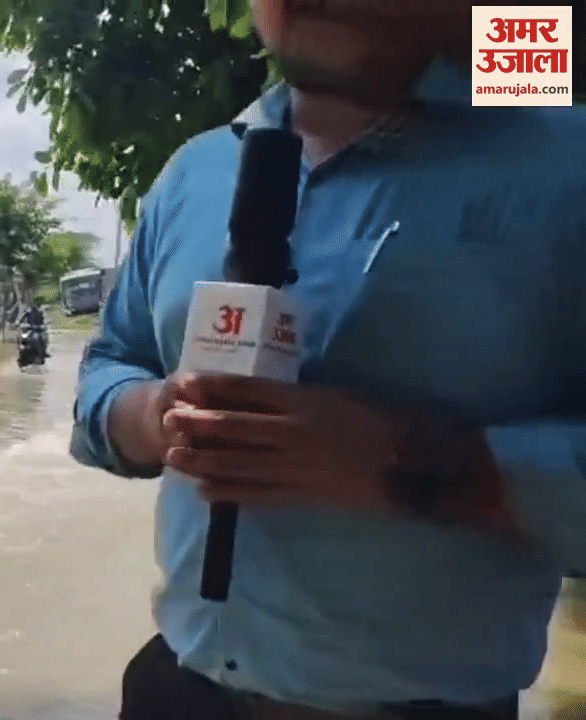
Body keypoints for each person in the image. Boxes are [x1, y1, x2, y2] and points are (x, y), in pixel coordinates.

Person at [70, 2, 586, 720]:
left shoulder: (567, 162)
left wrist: (419, 462)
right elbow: (109, 366)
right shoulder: (195, 171)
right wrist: (156, 417)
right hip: (176, 689)